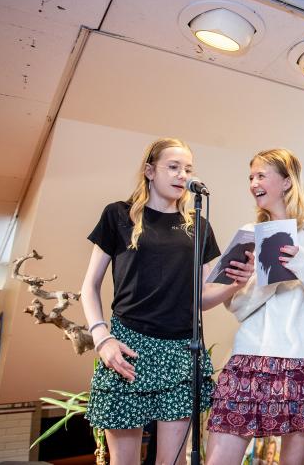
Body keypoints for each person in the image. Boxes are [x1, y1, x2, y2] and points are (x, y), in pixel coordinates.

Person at [81, 138, 252, 465]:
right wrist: (102, 338)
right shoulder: (118, 215)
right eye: (173, 167)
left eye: (188, 169)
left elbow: (200, 298)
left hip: (180, 351)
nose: (182, 175)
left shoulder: (198, 226)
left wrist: (235, 284)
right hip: (128, 349)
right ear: (149, 171)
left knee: (173, 461)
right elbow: (89, 286)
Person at [205, 148, 304, 465]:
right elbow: (236, 307)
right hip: (252, 356)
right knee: (219, 455)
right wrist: (265, 278)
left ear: (287, 181)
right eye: (250, 177)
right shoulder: (249, 234)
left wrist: (302, 262)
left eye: (261, 175)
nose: (253, 183)